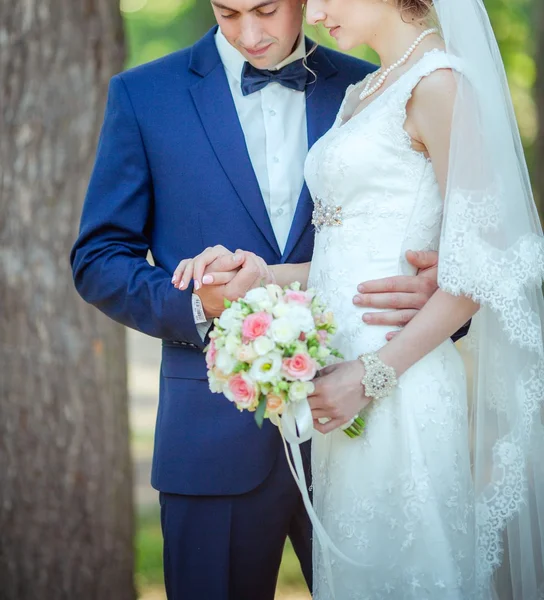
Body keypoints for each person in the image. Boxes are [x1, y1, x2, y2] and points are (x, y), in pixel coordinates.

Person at [71, 1, 467, 598]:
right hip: (211, 437)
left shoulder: (375, 84)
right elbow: (97, 259)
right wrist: (200, 305)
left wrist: (436, 294)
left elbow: (461, 243)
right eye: (228, 13)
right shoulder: (144, 96)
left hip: (369, 427)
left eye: (266, 9)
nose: (250, 34)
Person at [174, 0, 544, 598]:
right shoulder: (366, 90)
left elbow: (482, 268)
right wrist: (259, 275)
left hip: (399, 376)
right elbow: (348, 258)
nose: (314, 12)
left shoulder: (439, 84)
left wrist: (368, 377)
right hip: (337, 383)